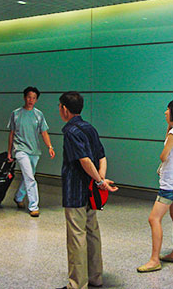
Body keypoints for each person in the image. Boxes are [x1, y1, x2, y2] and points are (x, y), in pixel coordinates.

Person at [56, 91, 118, 289]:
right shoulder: (89, 127)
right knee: (92, 232)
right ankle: (95, 277)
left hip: (75, 190)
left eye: (60, 106)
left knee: (77, 236)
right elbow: (101, 156)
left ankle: (77, 284)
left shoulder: (70, 131)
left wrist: (100, 181)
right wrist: (100, 180)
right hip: (91, 192)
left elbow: (84, 160)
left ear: (65, 109)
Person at [137, 98, 173, 273]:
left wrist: (168, 137)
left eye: (168, 110)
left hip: (169, 184)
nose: (165, 112)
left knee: (154, 219)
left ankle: (154, 260)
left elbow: (163, 156)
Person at [7, 86, 55, 217]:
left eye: (34, 98)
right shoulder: (16, 114)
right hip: (20, 150)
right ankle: (34, 206)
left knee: (29, 175)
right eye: (29, 97)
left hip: (34, 151)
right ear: (24, 97)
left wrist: (50, 146)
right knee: (29, 177)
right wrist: (9, 152)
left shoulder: (38, 115)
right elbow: (11, 134)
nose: (31, 100)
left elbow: (44, 132)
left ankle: (18, 197)